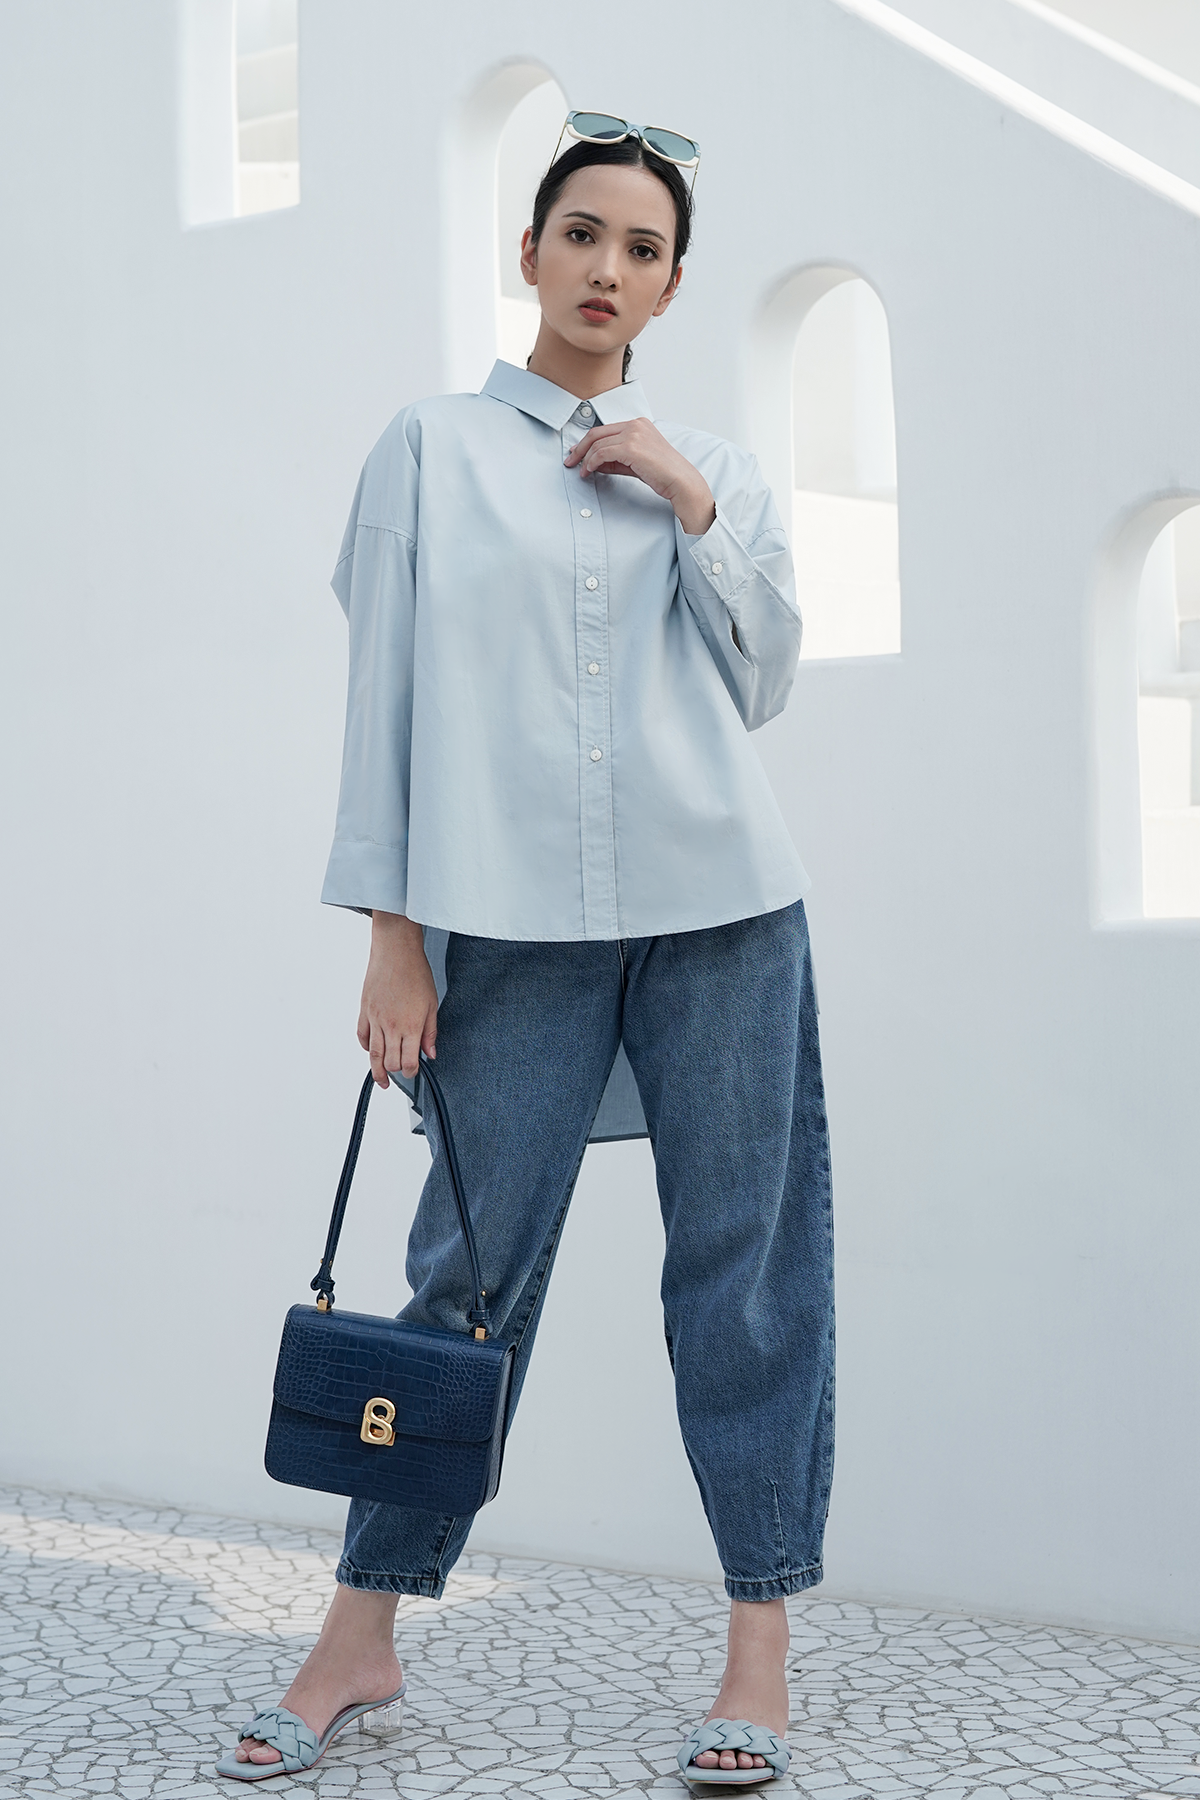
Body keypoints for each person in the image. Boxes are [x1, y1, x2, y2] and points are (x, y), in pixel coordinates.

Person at [217, 117, 834, 1788]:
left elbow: (767, 674)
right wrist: (392, 940)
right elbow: (385, 706)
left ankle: (758, 1646)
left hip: (724, 917)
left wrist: (687, 496)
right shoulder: (428, 447)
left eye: (642, 248)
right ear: (530, 251)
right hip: (506, 932)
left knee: (746, 1275)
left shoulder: (711, 460)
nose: (606, 268)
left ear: (673, 286)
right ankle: (361, 1634)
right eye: (581, 233)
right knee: (467, 1281)